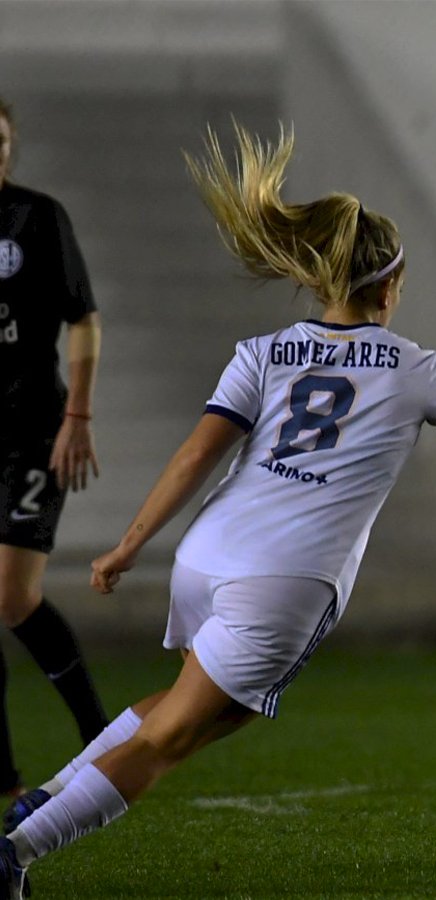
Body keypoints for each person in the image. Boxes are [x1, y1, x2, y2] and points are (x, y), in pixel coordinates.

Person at [0, 123, 436, 897]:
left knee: (212, 713)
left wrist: (130, 544)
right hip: (285, 579)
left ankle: (42, 799)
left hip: (209, 554)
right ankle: (19, 849)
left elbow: (198, 454)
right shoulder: (418, 369)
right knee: (166, 741)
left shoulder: (267, 351)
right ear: (390, 287)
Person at [0, 95, 111, 828]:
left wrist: (77, 415)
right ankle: (5, 780)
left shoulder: (37, 218)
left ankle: (99, 735)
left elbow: (83, 318)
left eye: (1, 141)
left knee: (11, 599)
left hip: (32, 428)